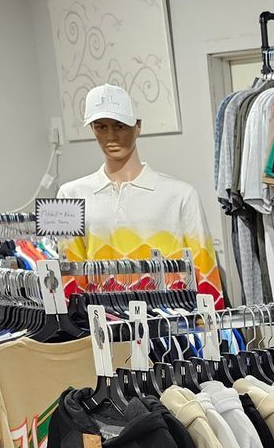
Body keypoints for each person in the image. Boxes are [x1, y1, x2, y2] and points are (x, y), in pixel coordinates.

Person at [57, 83, 223, 297]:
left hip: (169, 323)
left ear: (138, 126)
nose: (111, 136)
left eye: (119, 126)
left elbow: (205, 268)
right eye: (101, 127)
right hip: (99, 322)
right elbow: (67, 272)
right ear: (92, 129)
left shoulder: (181, 195)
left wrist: (211, 325)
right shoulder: (68, 196)